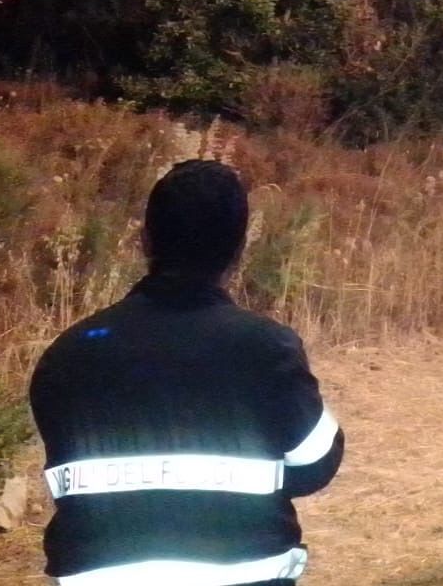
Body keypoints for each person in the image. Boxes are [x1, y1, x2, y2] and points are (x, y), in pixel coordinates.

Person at [29, 159, 344, 586]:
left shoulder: (66, 355)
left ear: (145, 240)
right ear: (239, 247)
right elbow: (316, 464)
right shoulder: (265, 347)